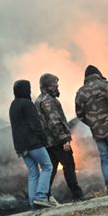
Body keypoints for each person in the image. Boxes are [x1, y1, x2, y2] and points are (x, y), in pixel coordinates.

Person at [74, 65, 108, 193]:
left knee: (104, 157)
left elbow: (79, 114)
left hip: (96, 130)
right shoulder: (105, 85)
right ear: (98, 73)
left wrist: (93, 124)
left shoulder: (81, 92)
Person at [35, 73, 86, 201]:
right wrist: (64, 140)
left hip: (48, 142)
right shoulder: (48, 101)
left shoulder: (40, 100)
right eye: (55, 85)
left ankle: (44, 195)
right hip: (56, 141)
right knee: (68, 166)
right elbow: (54, 122)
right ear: (49, 87)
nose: (57, 87)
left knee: (50, 169)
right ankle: (77, 194)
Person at [9, 79, 53, 209]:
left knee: (33, 172)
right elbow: (36, 125)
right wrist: (44, 140)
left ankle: (33, 203)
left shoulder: (13, 105)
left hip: (21, 146)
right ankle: (41, 196)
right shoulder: (27, 104)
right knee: (47, 166)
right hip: (33, 143)